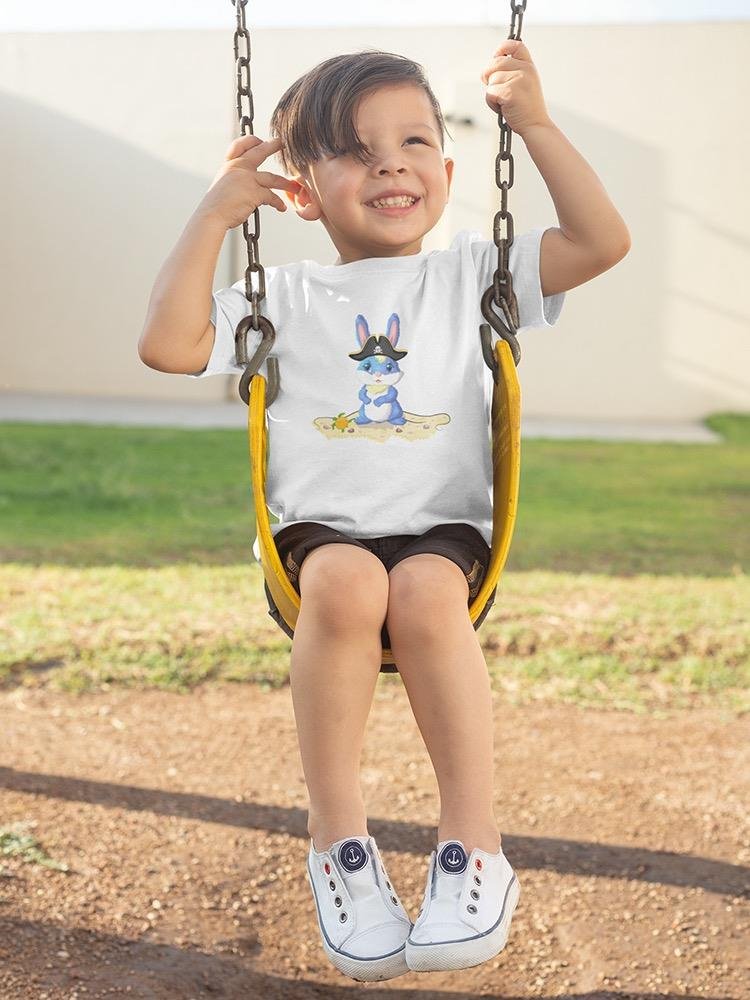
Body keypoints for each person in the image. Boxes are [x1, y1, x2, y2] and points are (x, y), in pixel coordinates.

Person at [138, 39, 630, 982]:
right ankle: (339, 845)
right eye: (358, 150)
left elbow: (602, 242)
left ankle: (473, 848)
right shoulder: (278, 294)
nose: (391, 162)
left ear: (448, 171)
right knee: (347, 580)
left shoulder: (473, 277)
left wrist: (533, 123)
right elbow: (168, 345)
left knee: (428, 595)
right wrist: (212, 213)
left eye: (413, 141)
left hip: (443, 530)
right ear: (303, 192)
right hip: (317, 536)